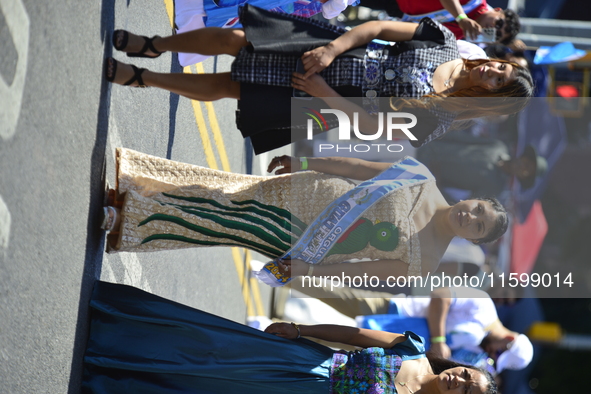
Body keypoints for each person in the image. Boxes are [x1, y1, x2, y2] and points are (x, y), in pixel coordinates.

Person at [105, 5, 534, 154]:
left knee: (228, 88)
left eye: (501, 81)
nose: (495, 70)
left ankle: (145, 78)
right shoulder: (443, 39)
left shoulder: (439, 119)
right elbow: (380, 30)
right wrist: (331, 49)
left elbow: (374, 127)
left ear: (491, 100)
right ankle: (155, 44)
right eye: (502, 68)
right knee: (238, 38)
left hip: (327, 97)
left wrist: (322, 93)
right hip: (330, 50)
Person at [101, 150, 509, 287]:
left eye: (478, 225)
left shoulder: (427, 263)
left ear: (473, 240)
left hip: (308, 241)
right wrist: (304, 159)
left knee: (225, 224)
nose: (469, 216)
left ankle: (128, 217)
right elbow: (359, 168)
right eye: (478, 208)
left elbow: (361, 274)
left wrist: (308, 270)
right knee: (226, 193)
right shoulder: (422, 175)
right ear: (474, 198)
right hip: (307, 189)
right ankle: (133, 192)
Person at [83, 280, 498, 393]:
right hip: (302, 361)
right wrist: (300, 329)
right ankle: (114, 330)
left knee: (203, 385)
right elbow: (354, 335)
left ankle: (107, 375)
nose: (459, 381)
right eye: (466, 376)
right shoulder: (415, 351)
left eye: (466, 393)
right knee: (211, 349)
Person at [288, 285, 534, 373]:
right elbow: (441, 295)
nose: (492, 356)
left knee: (329, 341)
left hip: (395, 342)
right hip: (396, 311)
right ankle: (280, 272)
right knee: (333, 294)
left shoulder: (478, 347)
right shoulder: (485, 306)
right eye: (499, 354)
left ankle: (273, 325)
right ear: (509, 339)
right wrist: (438, 339)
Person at [173, 0, 360, 65]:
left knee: (238, 14)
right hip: (285, 6)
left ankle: (197, 23)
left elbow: (330, 10)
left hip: (285, 6)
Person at [416, 134, 548, 201]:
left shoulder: (495, 189)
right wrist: (431, 134)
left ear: (523, 177)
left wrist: (436, 187)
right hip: (425, 146)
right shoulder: (498, 146)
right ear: (524, 156)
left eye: (527, 171)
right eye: (527, 162)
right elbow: (463, 138)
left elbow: (461, 204)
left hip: (421, 176)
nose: (523, 166)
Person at [360, 0, 520, 44]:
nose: (493, 28)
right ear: (498, 10)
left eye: (497, 34)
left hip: (394, 8)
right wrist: (461, 17)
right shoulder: (473, 1)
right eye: (498, 23)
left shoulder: (462, 34)